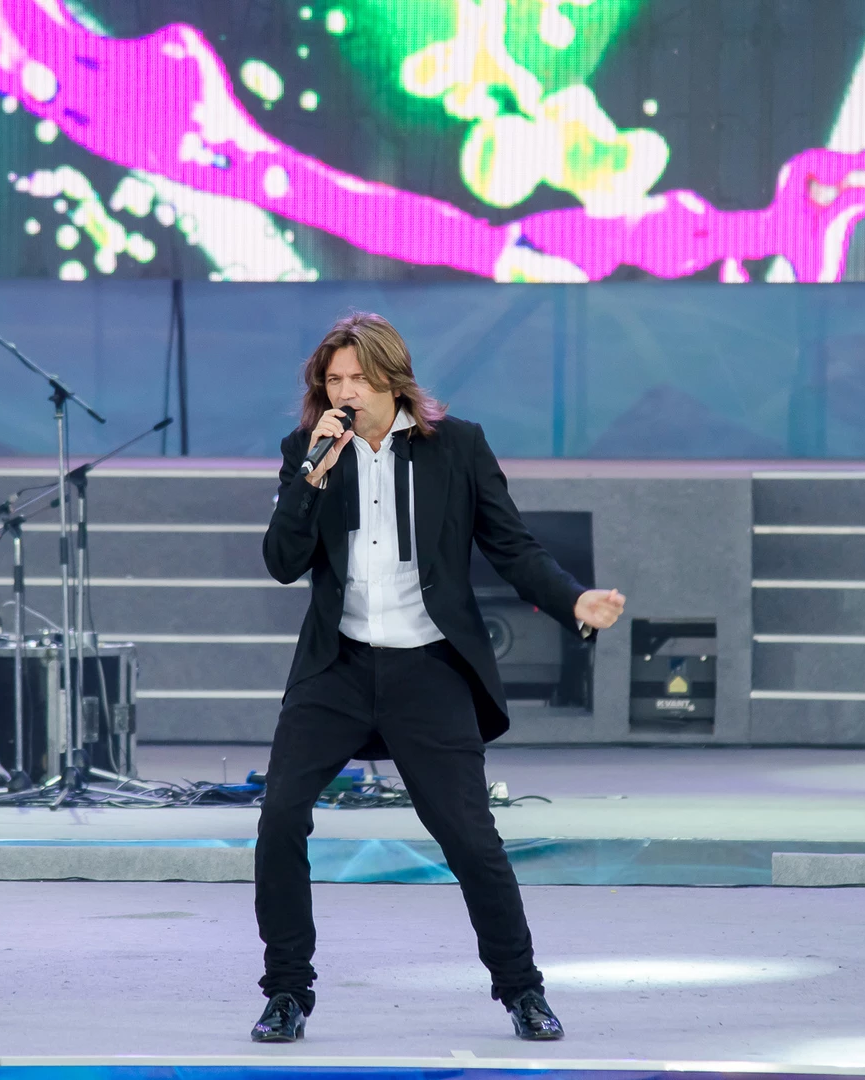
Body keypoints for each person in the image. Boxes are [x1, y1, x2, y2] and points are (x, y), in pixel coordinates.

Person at [254, 312, 627, 1043]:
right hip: (337, 665)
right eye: (334, 380)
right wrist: (311, 480)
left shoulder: (456, 447)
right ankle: (287, 992)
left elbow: (513, 547)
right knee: (280, 819)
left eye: (359, 378)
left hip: (428, 667)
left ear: (393, 379)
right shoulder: (307, 450)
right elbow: (281, 562)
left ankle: (522, 990)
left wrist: (573, 600)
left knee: (470, 837)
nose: (346, 392)